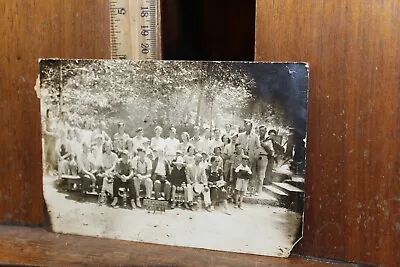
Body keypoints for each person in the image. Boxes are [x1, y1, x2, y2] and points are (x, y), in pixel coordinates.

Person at [237, 119, 260, 186]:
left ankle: (248, 187)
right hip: (242, 155)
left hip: (250, 156)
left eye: (249, 127)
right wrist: (241, 152)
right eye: (246, 126)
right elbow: (237, 145)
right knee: (241, 171)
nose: (247, 128)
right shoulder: (240, 135)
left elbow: (258, 147)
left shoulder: (255, 136)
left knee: (249, 171)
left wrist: (255, 154)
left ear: (251, 127)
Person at [258, 125, 275, 193]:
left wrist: (264, 145)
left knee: (261, 175)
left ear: (265, 131)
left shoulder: (268, 140)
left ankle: (259, 191)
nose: (261, 132)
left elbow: (271, 151)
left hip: (264, 157)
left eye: (262, 131)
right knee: (254, 174)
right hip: (256, 156)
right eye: (260, 130)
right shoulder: (257, 138)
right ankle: (252, 191)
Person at [43, 109, 58, 174]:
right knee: (48, 154)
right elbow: (44, 131)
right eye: (49, 114)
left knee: (53, 154)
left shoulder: (54, 121)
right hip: (48, 139)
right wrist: (51, 133)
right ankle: (47, 170)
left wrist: (56, 133)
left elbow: (56, 129)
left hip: (53, 140)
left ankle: (51, 169)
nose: (50, 115)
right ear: (47, 114)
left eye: (51, 114)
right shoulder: (45, 121)